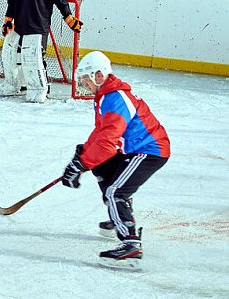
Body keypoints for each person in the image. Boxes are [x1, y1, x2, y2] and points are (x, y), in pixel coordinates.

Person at [61, 51, 170, 270]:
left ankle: (130, 245)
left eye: (85, 77)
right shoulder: (105, 96)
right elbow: (100, 134)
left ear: (99, 75)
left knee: (115, 192)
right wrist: (82, 156)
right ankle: (119, 215)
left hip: (151, 150)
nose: (83, 82)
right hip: (136, 149)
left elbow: (108, 141)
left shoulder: (116, 98)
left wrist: (81, 165)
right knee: (101, 165)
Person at [2, 0, 83, 103]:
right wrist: (8, 20)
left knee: (36, 57)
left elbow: (61, 1)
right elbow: (12, 1)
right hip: (20, 26)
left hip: (39, 28)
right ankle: (19, 84)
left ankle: (42, 88)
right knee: (14, 55)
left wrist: (69, 18)